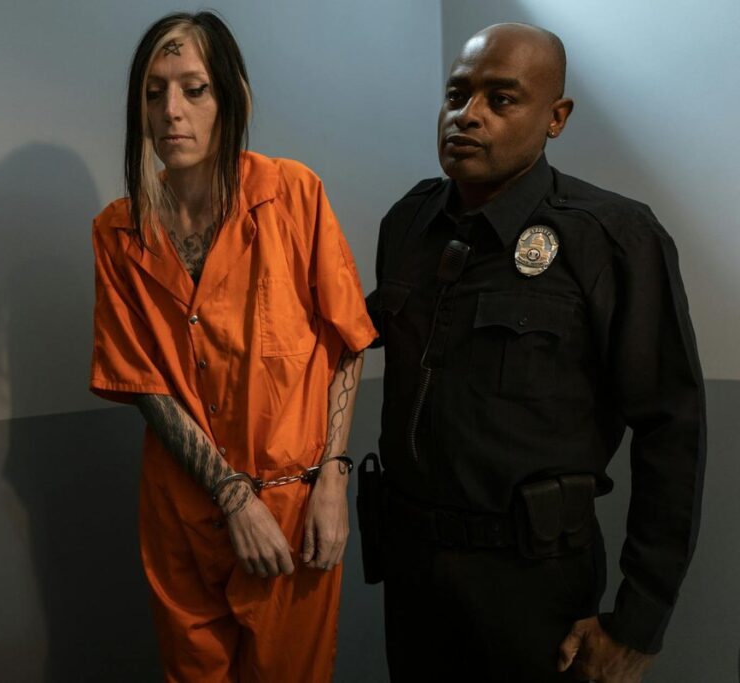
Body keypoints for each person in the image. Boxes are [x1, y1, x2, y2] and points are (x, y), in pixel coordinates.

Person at [362, 22, 706, 683]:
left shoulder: (612, 237)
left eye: (501, 98)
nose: (468, 115)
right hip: (412, 580)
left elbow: (673, 427)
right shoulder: (408, 224)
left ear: (556, 117)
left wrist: (638, 618)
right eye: (457, 94)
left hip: (535, 587)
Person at [90, 12, 377, 682]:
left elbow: (348, 339)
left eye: (195, 89)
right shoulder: (118, 230)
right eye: (154, 91)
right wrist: (229, 494)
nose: (172, 111)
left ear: (232, 99)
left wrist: (333, 478)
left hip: (292, 508)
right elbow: (144, 381)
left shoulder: (293, 195)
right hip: (182, 514)